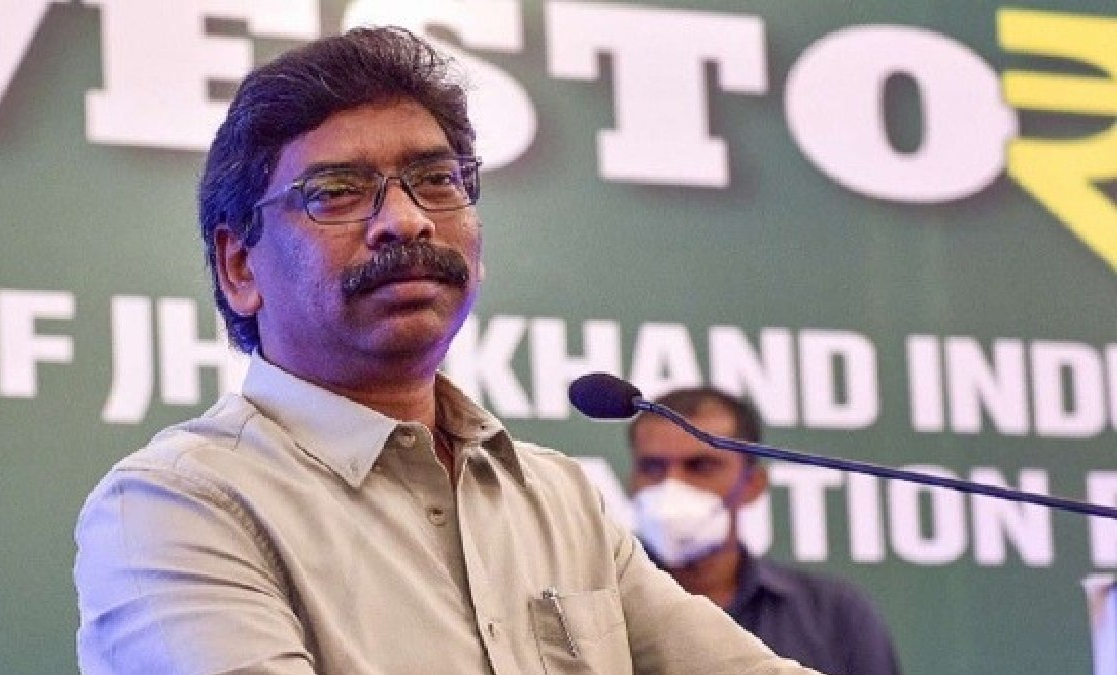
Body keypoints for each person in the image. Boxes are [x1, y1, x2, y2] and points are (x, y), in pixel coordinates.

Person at [73, 26, 827, 675]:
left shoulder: (557, 498)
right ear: (240, 268)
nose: (405, 220)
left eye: (436, 179)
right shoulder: (176, 508)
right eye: (336, 191)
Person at [627, 386, 903, 675]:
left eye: (701, 466)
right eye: (652, 467)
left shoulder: (834, 616)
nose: (672, 485)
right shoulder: (606, 611)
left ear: (752, 485)